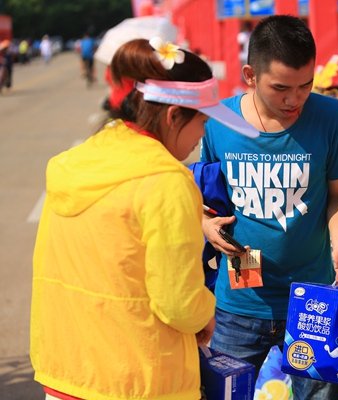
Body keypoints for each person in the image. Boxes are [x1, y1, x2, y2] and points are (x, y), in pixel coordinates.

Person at [30, 37, 258, 400]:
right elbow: (178, 303)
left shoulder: (71, 164)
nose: (201, 138)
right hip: (137, 379)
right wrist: (205, 315)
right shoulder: (167, 182)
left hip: (65, 371)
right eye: (201, 122)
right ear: (173, 116)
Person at [200, 15, 338, 399]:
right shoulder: (218, 122)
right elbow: (205, 197)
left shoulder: (331, 117)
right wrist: (205, 225)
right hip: (240, 303)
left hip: (313, 300)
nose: (294, 100)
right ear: (250, 75)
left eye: (305, 86)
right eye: (281, 88)